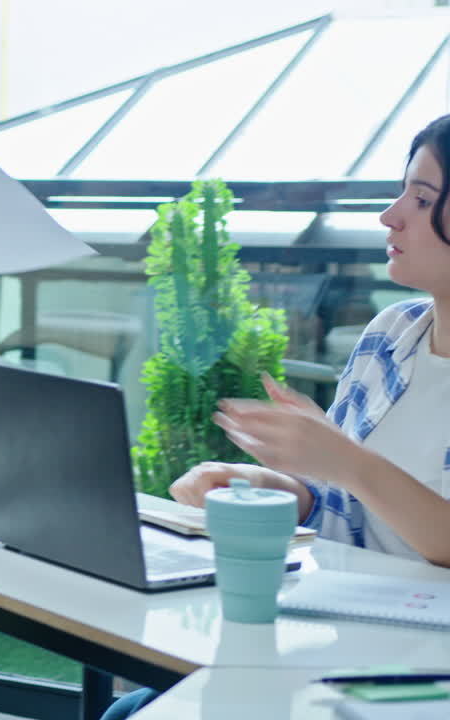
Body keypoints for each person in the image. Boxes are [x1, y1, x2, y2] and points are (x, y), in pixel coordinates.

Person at [102, 113, 450, 719]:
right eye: (402, 192)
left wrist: (344, 460)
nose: (390, 215)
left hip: (421, 673)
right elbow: (349, 503)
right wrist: (278, 488)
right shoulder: (391, 335)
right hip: (344, 630)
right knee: (132, 708)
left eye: (422, 199)